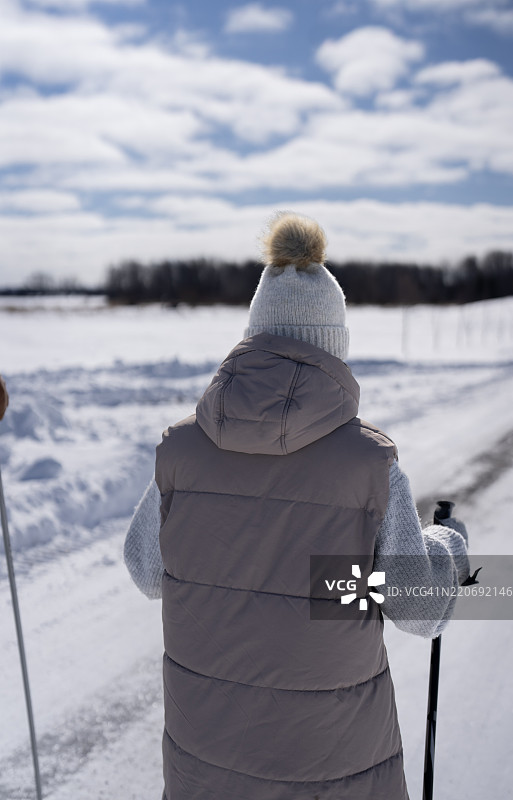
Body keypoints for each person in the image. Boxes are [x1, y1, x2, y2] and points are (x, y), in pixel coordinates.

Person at [124, 212, 469, 800]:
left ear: (254, 335)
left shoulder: (181, 452)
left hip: (204, 774)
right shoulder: (370, 468)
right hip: (333, 775)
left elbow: (145, 569)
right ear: (333, 349)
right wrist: (450, 547)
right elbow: (418, 608)